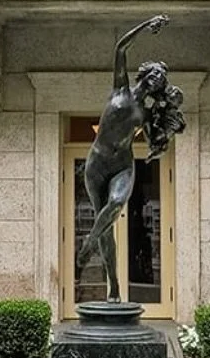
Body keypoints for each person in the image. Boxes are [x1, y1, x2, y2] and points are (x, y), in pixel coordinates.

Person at [77, 15, 185, 303]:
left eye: (161, 81)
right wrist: (146, 26)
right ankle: (113, 286)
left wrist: (161, 142)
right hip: (96, 164)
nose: (157, 82)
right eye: (155, 76)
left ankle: (88, 245)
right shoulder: (120, 88)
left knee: (114, 205)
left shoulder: (147, 114)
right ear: (146, 75)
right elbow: (121, 48)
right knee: (107, 228)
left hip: (122, 165)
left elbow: (153, 141)